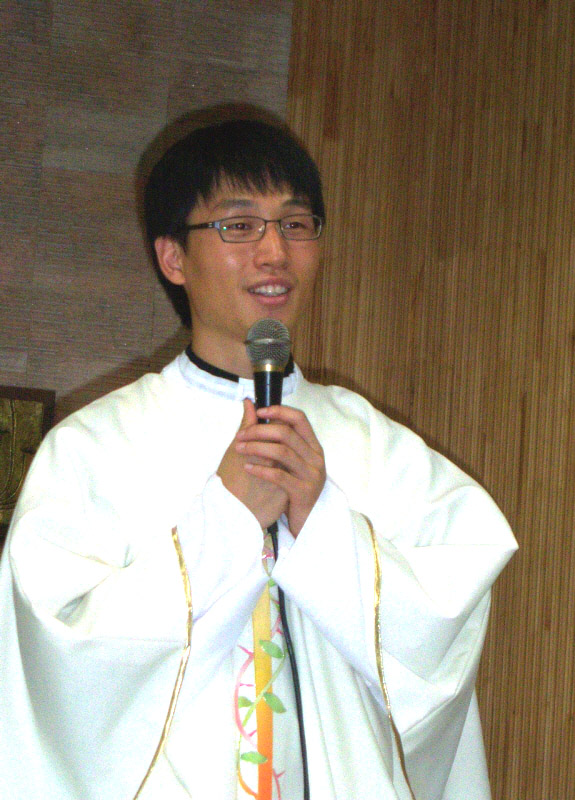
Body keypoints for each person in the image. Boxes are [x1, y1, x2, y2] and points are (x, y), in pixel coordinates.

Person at [0, 118, 517, 800]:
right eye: (239, 226)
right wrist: (226, 523)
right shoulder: (97, 448)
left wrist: (321, 525)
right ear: (173, 258)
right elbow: (54, 655)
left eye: (297, 225)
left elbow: (454, 597)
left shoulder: (370, 443)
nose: (275, 252)